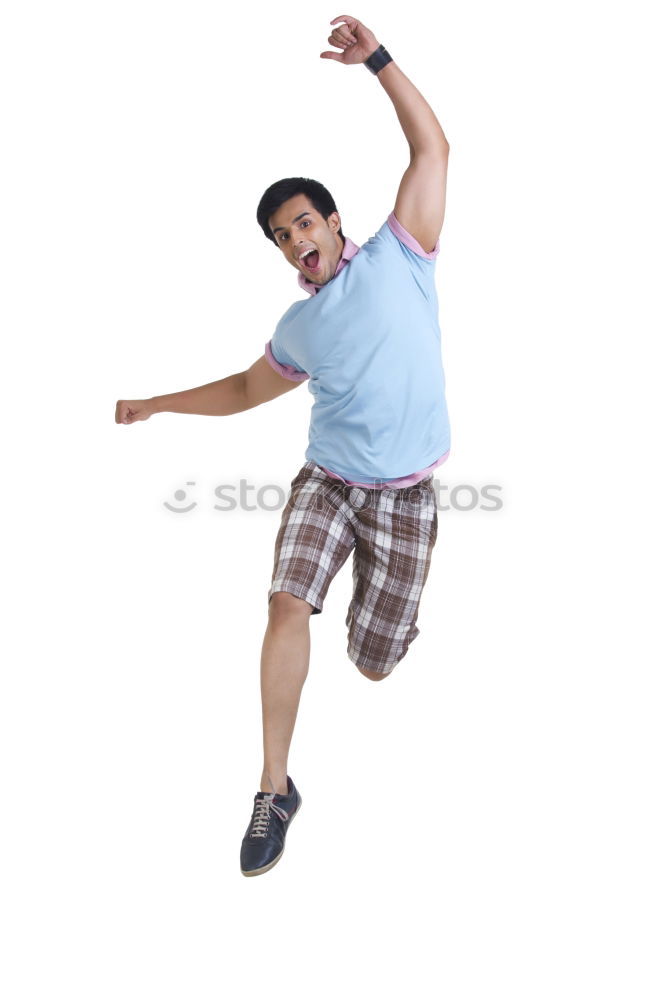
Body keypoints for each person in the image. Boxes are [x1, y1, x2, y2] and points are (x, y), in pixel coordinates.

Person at [115, 15, 451, 877]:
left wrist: (377, 61)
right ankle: (274, 787)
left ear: (334, 220)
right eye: (282, 237)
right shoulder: (298, 327)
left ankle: (384, 630)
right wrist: (157, 403)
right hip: (329, 482)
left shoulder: (401, 255)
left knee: (374, 665)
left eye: (305, 222)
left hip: (406, 494)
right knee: (283, 603)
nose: (298, 241)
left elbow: (435, 149)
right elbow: (239, 390)